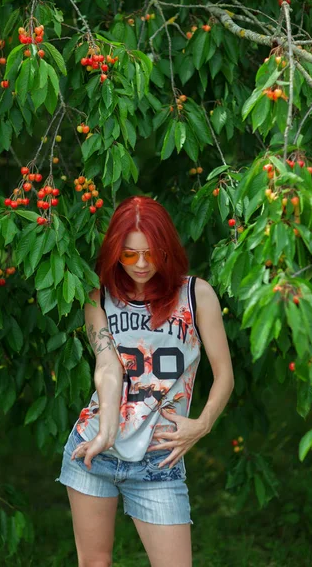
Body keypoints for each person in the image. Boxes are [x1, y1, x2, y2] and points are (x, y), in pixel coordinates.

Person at [55, 196, 234, 567]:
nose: (140, 264)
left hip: (159, 460)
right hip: (94, 450)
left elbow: (225, 376)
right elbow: (108, 366)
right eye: (128, 254)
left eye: (150, 253)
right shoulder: (98, 296)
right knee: (94, 563)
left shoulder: (195, 295)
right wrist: (105, 432)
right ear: (115, 253)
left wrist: (202, 425)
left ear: (166, 248)